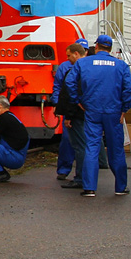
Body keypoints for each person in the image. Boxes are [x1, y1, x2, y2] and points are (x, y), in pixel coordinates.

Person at [66, 34, 131, 197]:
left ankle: (89, 188)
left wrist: (78, 101)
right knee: (116, 149)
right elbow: (128, 89)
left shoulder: (83, 62)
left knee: (91, 147)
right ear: (110, 48)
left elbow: (69, 82)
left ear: (95, 47)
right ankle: (120, 187)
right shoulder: (121, 65)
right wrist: (125, 108)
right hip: (114, 111)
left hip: (92, 110)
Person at [50, 41, 88, 189]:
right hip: (82, 112)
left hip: (74, 112)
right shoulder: (66, 66)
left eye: (69, 55)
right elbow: (59, 86)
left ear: (76, 53)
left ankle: (80, 177)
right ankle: (68, 171)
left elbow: (70, 92)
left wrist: (67, 112)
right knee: (74, 142)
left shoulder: (76, 68)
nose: (68, 58)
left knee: (79, 145)